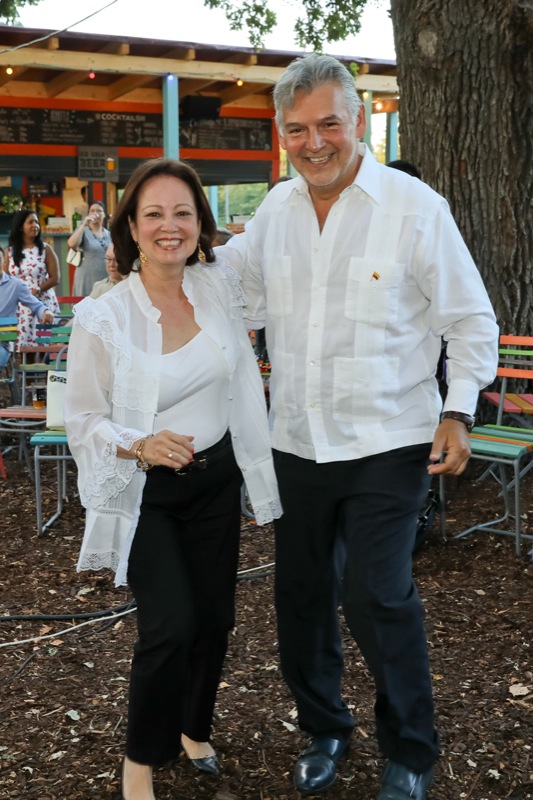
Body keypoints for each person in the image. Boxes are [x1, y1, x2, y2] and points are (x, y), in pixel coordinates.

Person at [218, 54, 498, 800]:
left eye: (328, 125)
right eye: (296, 129)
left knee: (377, 594)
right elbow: (230, 291)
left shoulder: (414, 208)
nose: (313, 143)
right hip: (295, 441)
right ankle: (325, 729)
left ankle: (410, 747)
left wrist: (458, 408)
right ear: (282, 133)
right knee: (301, 597)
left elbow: (469, 319)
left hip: (389, 440)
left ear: (360, 120)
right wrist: (152, 267)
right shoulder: (275, 212)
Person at [63, 158, 281, 800]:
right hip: (148, 494)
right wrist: (139, 443)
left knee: (214, 619)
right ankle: (141, 757)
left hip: (216, 482)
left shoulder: (219, 286)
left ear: (200, 224)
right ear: (131, 226)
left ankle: (193, 728)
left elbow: (277, 232)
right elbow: (83, 419)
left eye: (183, 213)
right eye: (154, 213)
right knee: (171, 625)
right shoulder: (103, 316)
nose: (170, 226)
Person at [5, 209, 60, 349]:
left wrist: (37, 290)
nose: (35, 225)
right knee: (20, 348)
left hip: (41, 302)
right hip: (18, 305)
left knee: (42, 347)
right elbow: (5, 279)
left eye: (37, 222)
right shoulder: (10, 251)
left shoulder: (45, 249)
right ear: (20, 227)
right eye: (30, 222)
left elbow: (55, 278)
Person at [0, 244, 55, 369]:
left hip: (1, 343)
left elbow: (36, 304)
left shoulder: (15, 285)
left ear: (4, 262)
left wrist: (45, 311)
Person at [67, 200, 111, 297]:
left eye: (99, 211)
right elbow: (71, 244)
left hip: (104, 278)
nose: (95, 213)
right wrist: (84, 224)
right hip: (86, 279)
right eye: (92, 211)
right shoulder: (84, 231)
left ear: (104, 215)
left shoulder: (108, 234)